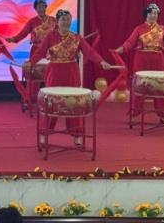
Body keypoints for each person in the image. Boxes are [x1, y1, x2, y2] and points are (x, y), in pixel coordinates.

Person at [29, 9, 115, 145]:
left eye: (68, 20)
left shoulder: (76, 37)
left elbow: (89, 51)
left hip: (71, 73)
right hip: (54, 73)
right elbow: (40, 52)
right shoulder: (51, 36)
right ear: (57, 22)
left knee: (74, 104)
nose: (66, 22)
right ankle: (44, 133)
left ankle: (77, 134)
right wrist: (31, 62)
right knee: (52, 103)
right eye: (63, 20)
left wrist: (101, 61)